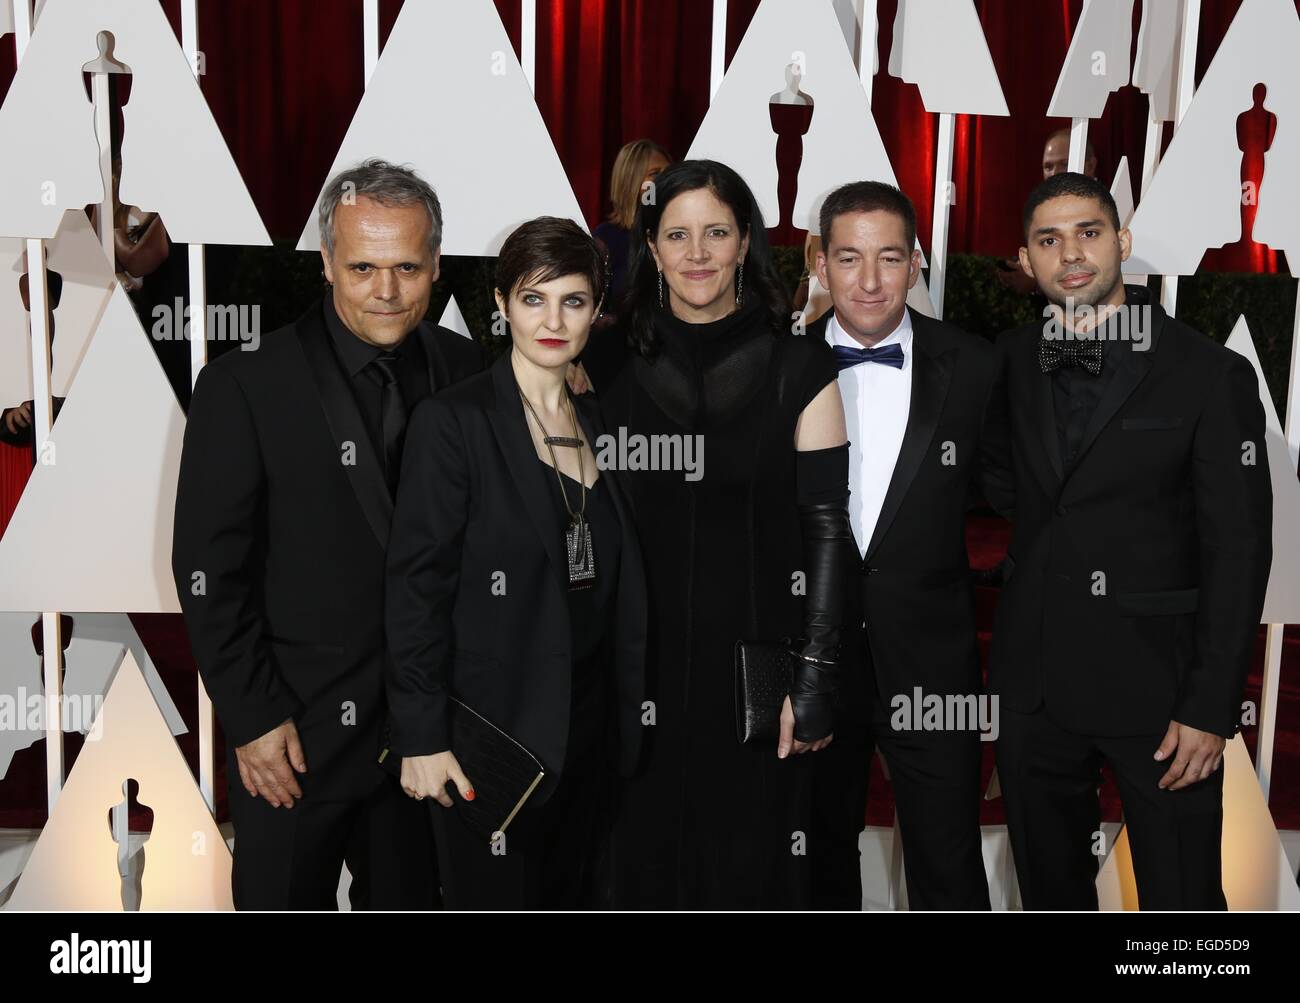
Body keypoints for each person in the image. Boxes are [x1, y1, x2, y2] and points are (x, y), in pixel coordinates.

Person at [171, 159, 482, 910]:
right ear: (326, 265)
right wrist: (251, 717)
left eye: (407, 267)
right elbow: (209, 571)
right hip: (294, 739)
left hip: (424, 735)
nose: (386, 289)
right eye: (363, 266)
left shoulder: (470, 372)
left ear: (436, 264)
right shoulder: (245, 384)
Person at [990, 171, 1272, 909]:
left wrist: (1213, 705)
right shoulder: (1010, 362)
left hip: (1163, 695)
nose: (1071, 254)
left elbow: (1239, 550)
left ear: (1123, 240)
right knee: (1049, 893)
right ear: (1026, 259)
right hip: (1035, 690)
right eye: (1049, 241)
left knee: (1183, 906)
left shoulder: (1209, 374)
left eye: (1089, 232)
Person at [582, 159, 856, 909]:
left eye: (715, 232)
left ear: (744, 245)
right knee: (633, 868)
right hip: (633, 673)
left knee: (750, 873)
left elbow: (828, 532)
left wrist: (816, 675)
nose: (696, 251)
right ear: (652, 248)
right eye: (677, 234)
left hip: (756, 676)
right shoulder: (599, 364)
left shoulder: (803, 367)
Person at [386, 217, 647, 909]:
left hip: (591, 736)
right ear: (500, 305)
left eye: (573, 300)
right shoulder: (456, 422)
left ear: (597, 308)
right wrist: (420, 735)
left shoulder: (600, 417)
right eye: (534, 299)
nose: (553, 320)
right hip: (491, 743)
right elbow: (417, 585)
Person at [805, 181, 1001, 910]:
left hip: (934, 658)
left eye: (890, 257)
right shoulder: (775, 365)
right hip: (813, 658)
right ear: (821, 265)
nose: (870, 280)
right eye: (850, 258)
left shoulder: (975, 367)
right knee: (817, 854)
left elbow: (1020, 493)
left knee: (948, 860)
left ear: (917, 261)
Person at [592, 139, 671, 301]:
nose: (667, 180)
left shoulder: (681, 232)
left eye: (669, 172)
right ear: (632, 181)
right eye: (655, 174)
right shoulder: (606, 237)